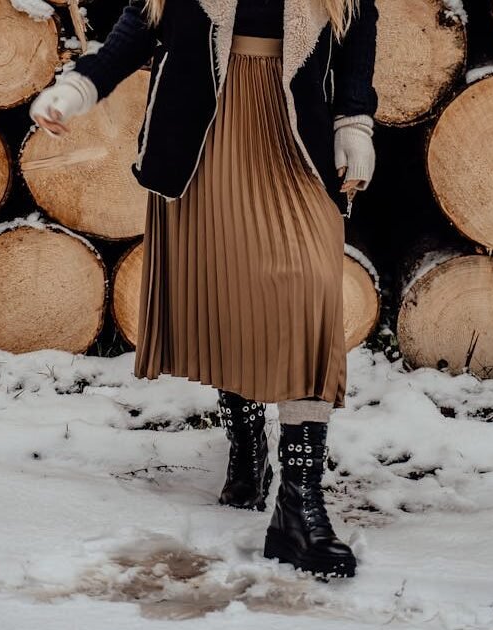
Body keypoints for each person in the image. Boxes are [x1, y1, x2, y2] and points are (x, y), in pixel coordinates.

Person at [30, 0, 377, 578]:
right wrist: (76, 90)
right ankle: (247, 447)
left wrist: (355, 124)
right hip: (205, 141)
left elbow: (357, 43)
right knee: (231, 293)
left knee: (308, 293)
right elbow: (133, 34)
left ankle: (300, 502)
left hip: (295, 139)